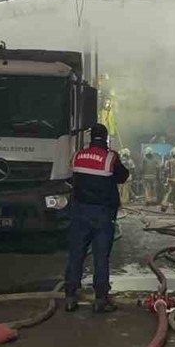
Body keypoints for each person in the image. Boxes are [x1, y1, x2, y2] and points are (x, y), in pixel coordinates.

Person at [64, 123, 130, 314]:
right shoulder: (110, 158)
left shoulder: (77, 156)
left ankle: (70, 296)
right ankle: (101, 299)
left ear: (91, 138)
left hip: (80, 212)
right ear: (106, 138)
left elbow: (72, 179)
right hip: (102, 214)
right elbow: (123, 177)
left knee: (76, 254)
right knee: (101, 256)